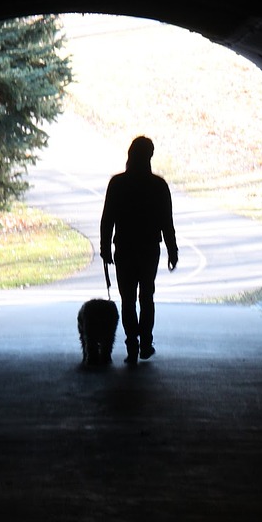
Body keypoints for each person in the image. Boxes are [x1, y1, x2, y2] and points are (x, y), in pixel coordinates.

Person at [99, 135, 179, 363]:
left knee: (127, 299)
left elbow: (108, 219)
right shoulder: (158, 185)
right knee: (146, 296)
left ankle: (132, 345)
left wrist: (105, 247)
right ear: (150, 156)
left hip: (124, 248)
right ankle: (145, 343)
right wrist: (172, 251)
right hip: (149, 249)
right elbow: (167, 222)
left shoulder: (117, 184)